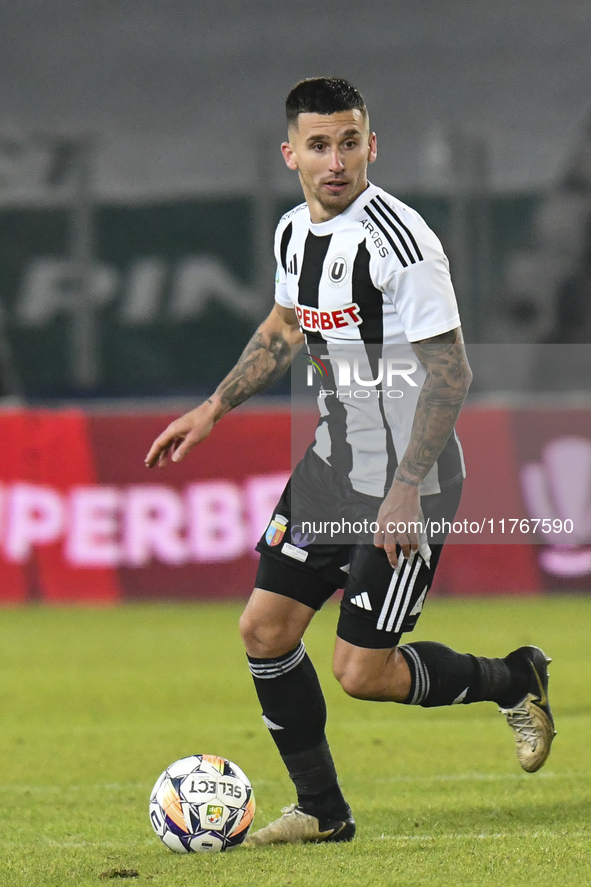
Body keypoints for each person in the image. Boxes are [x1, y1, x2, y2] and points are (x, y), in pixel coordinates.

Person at [145, 77, 555, 846]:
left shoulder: (399, 241)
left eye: (349, 141)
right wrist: (212, 407)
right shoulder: (293, 232)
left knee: (362, 672)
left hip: (410, 480)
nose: (335, 160)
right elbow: (285, 322)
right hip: (332, 465)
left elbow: (450, 371)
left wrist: (402, 491)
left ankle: (515, 677)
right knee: (263, 631)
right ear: (290, 154)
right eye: (318, 144)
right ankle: (322, 812)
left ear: (372, 143)